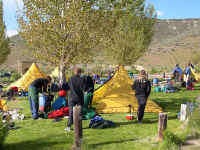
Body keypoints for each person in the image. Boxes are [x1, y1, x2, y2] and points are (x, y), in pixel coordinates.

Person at [65, 67, 85, 131]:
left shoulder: (70, 79)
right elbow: (83, 88)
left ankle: (69, 126)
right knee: (79, 113)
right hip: (79, 97)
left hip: (71, 97)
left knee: (71, 112)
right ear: (80, 72)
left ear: (74, 72)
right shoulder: (82, 79)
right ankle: (79, 126)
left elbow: (67, 87)